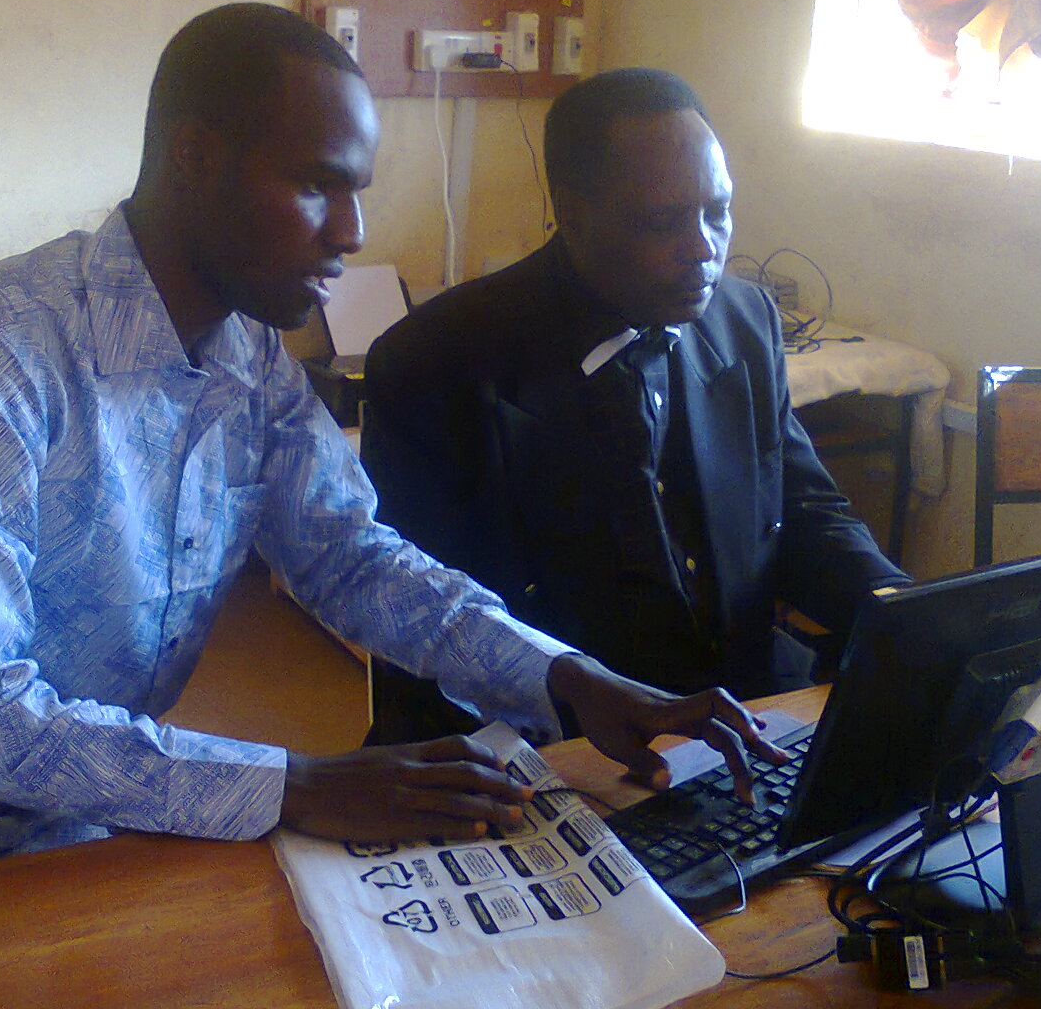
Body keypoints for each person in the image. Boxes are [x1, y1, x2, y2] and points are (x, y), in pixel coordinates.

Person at [0, 10, 783, 877]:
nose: (352, 232)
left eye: (358, 193)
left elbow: (350, 558)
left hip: (80, 826)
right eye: (318, 185)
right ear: (194, 156)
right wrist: (296, 785)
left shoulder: (246, 355)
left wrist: (567, 678)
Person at [361, 68, 906, 744]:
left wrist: (907, 613)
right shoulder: (437, 362)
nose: (704, 248)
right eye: (662, 222)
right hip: (554, 741)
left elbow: (801, 511)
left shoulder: (742, 321)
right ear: (573, 213)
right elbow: (419, 612)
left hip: (739, 715)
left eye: (718, 211)